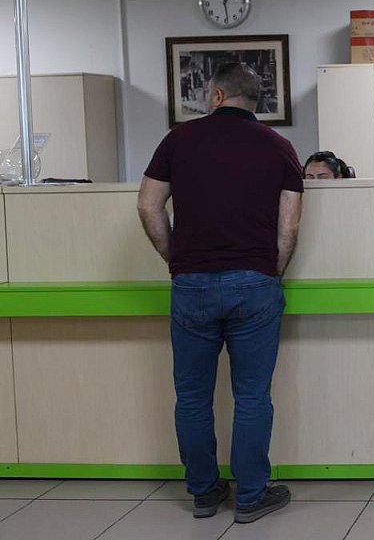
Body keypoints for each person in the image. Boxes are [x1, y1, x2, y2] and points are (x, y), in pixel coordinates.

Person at [136, 62, 304, 524]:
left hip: (191, 283)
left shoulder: (178, 140)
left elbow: (148, 206)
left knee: (192, 396)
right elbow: (290, 224)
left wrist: (176, 259)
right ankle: (250, 496)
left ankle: (205, 492)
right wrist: (271, 272)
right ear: (255, 101)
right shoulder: (279, 146)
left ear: (215, 95)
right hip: (255, 282)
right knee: (252, 395)